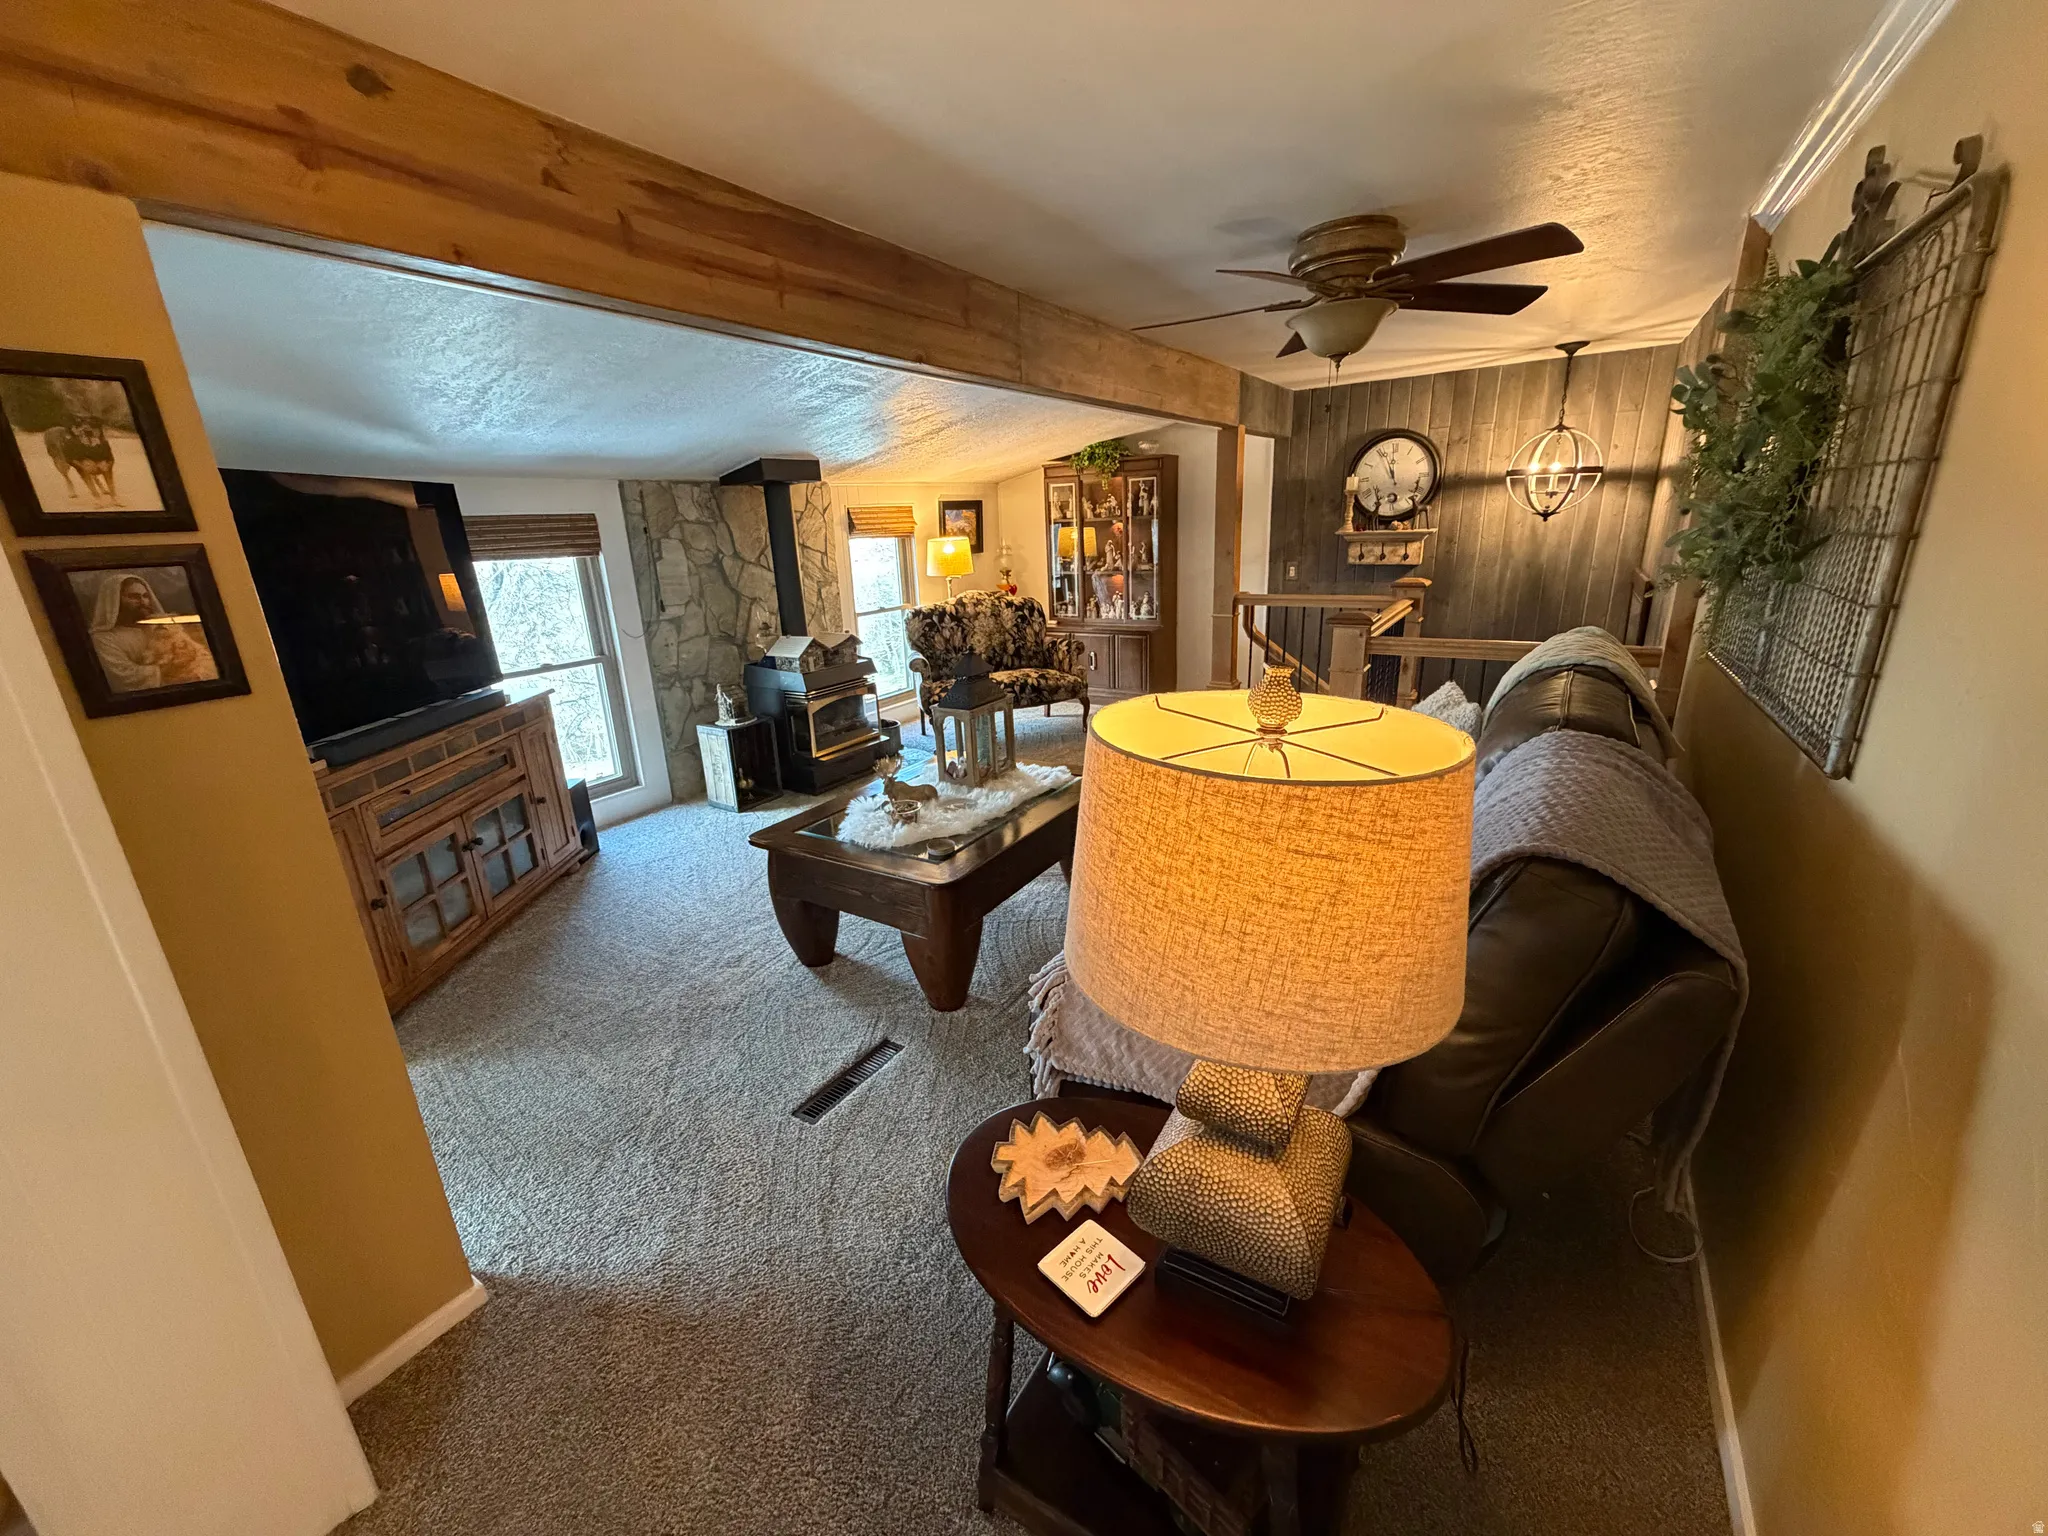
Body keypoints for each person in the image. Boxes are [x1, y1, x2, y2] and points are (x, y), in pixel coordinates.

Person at [88, 572, 217, 691]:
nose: (143, 602)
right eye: (134, 597)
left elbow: (197, 655)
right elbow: (122, 676)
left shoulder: (163, 626)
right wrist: (170, 669)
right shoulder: (103, 639)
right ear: (114, 600)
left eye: (145, 596)